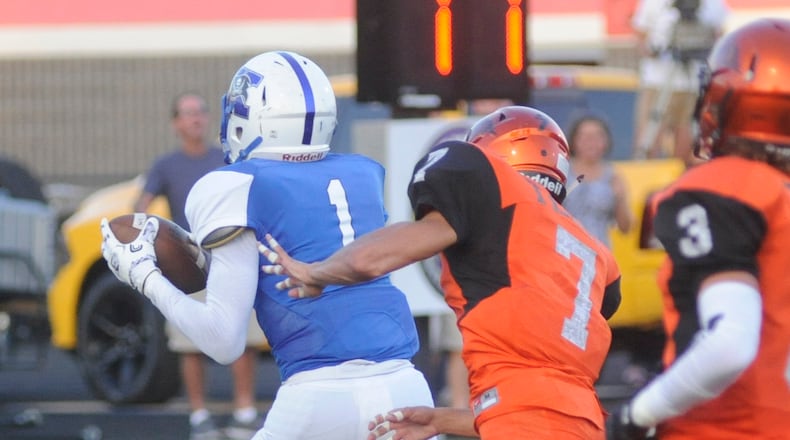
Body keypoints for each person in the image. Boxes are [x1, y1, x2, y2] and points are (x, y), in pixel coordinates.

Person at [101, 51, 435, 440]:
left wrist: (145, 276)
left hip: (318, 395)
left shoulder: (234, 184)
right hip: (407, 387)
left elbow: (223, 340)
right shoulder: (360, 172)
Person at [258, 105, 623, 439]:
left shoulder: (498, 189)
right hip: (584, 422)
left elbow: (370, 260)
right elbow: (542, 404)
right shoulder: (596, 254)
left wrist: (317, 272)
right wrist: (441, 420)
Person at [607, 18, 790, 439]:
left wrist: (639, 413)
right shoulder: (777, 192)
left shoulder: (725, 185)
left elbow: (730, 344)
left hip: (725, 425)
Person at [132, 91, 266, 440]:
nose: (197, 118)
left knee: (243, 336)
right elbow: (140, 208)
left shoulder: (225, 158)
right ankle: (199, 415)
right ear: (176, 122)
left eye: (201, 111)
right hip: (186, 263)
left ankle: (245, 411)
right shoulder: (166, 165)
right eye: (189, 113)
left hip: (230, 255)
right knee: (189, 342)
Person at [630, 0, 728, 163]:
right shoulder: (653, 4)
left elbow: (719, 36)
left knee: (688, 143)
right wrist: (654, 51)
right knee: (649, 141)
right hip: (659, 83)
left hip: (694, 85)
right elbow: (640, 35)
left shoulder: (713, 4)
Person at [563, 112, 633, 248]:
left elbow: (626, 228)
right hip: (566, 252)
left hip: (600, 254)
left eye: (597, 137)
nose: (591, 143)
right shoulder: (562, 172)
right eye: (584, 137)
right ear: (574, 140)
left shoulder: (613, 175)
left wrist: (620, 198)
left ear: (606, 141)